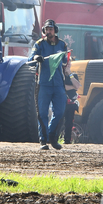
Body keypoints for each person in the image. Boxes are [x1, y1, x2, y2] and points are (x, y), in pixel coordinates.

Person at [30, 19, 68, 150]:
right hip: (43, 84)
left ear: (55, 30)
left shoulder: (62, 45)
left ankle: (52, 136)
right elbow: (31, 58)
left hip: (58, 84)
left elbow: (64, 61)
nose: (48, 32)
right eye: (46, 29)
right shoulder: (39, 44)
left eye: (50, 29)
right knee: (42, 113)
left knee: (60, 111)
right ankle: (43, 140)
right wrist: (36, 58)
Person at [62, 59, 81, 144]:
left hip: (71, 103)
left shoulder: (74, 75)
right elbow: (62, 87)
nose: (68, 65)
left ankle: (67, 140)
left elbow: (77, 86)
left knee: (69, 123)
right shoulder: (60, 76)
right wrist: (72, 87)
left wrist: (69, 73)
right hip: (62, 102)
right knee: (59, 121)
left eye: (69, 63)